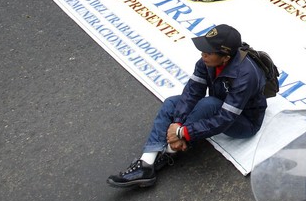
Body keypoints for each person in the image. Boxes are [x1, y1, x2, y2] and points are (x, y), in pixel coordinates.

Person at [106, 24, 267, 189]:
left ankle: (169, 150)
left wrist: (183, 132)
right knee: (171, 103)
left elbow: (226, 118)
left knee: (209, 104)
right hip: (219, 103)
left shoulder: (245, 75)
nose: (202, 54)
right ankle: (146, 164)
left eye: (208, 52)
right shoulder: (205, 62)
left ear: (225, 57)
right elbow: (192, 92)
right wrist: (177, 122)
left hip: (245, 122)